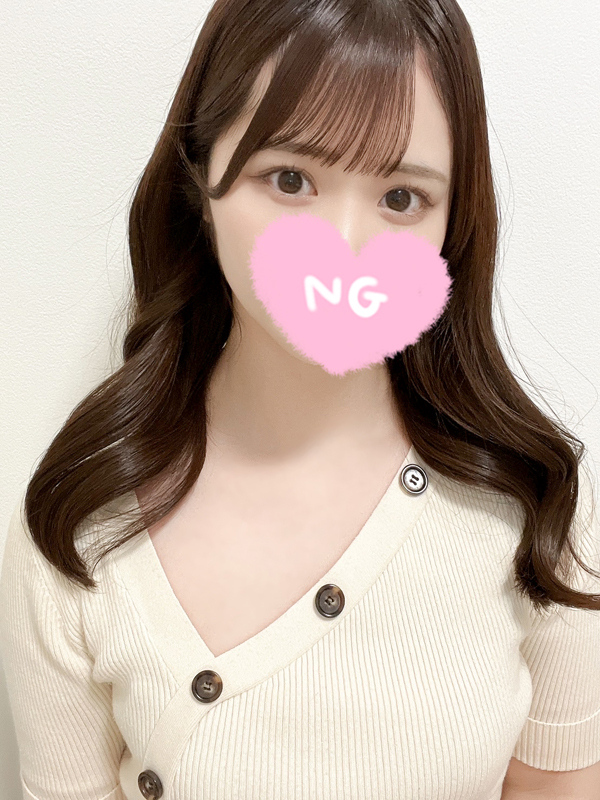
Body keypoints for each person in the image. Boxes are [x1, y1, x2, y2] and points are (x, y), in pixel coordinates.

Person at [1, 1, 599, 799]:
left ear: (452, 222)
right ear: (200, 181)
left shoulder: (540, 502)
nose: (343, 247)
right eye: (290, 179)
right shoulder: (79, 524)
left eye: (401, 198)